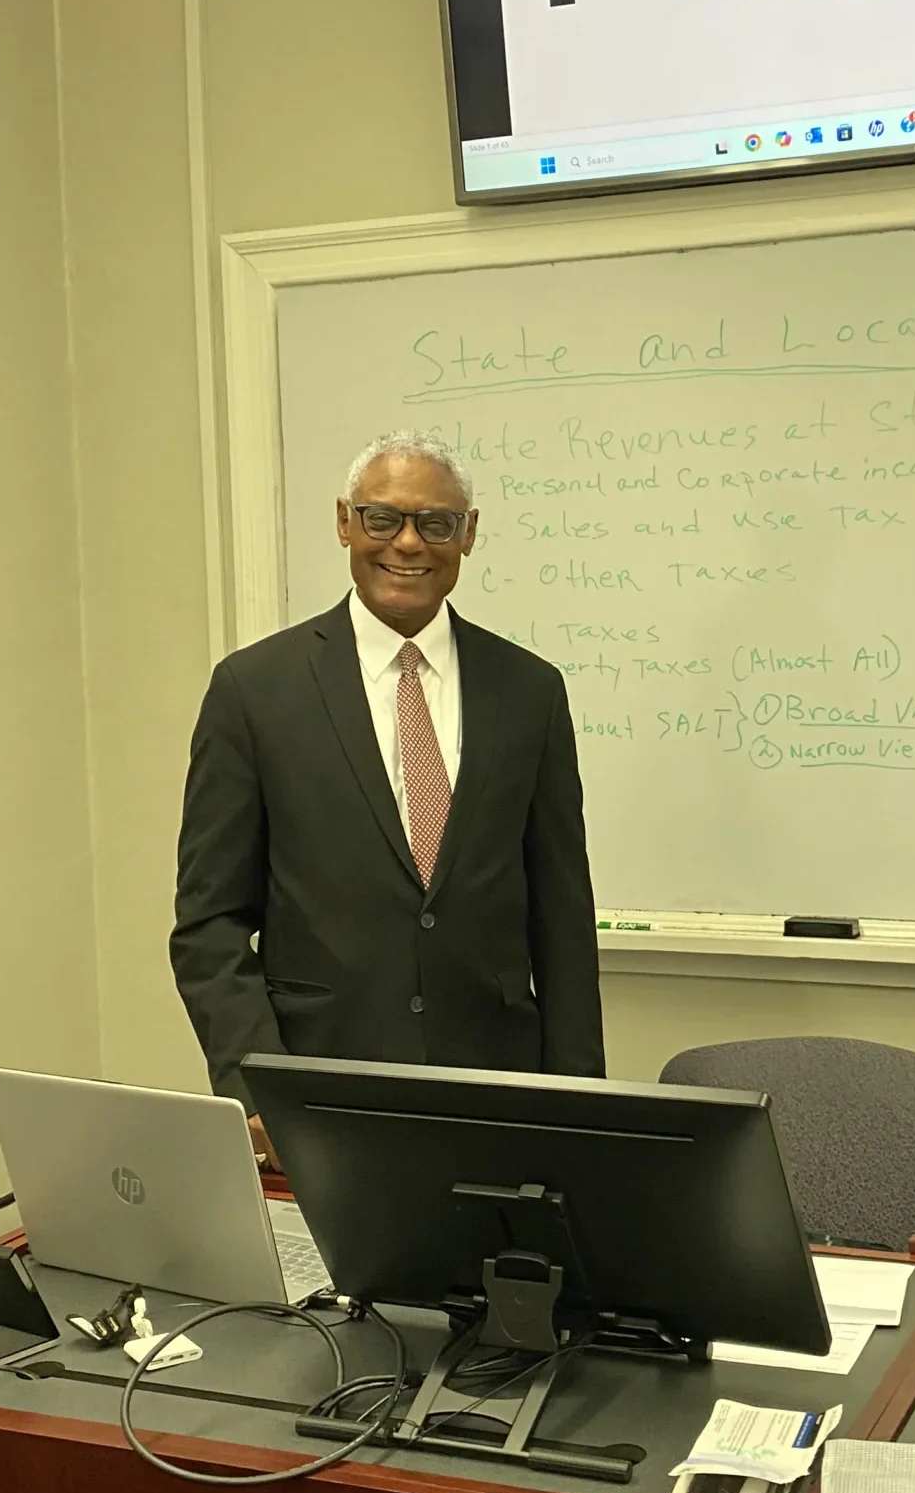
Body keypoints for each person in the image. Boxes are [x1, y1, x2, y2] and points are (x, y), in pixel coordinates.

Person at [170, 430, 605, 1107]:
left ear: (468, 535)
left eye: (436, 524)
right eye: (383, 519)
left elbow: (563, 921)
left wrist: (579, 1101)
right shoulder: (255, 691)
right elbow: (209, 923)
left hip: (496, 1086)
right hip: (322, 1089)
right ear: (345, 522)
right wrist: (258, 1088)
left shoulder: (529, 691)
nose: (408, 544)